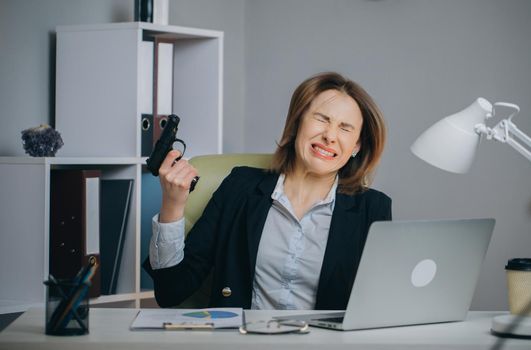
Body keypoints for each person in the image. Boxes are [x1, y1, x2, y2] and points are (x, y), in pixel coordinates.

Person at [143, 72, 392, 310]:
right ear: (297, 122)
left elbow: (380, 306)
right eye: (322, 119)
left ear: (357, 145)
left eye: (345, 128)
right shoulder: (240, 187)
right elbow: (170, 292)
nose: (330, 136)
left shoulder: (373, 209)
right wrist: (172, 205)